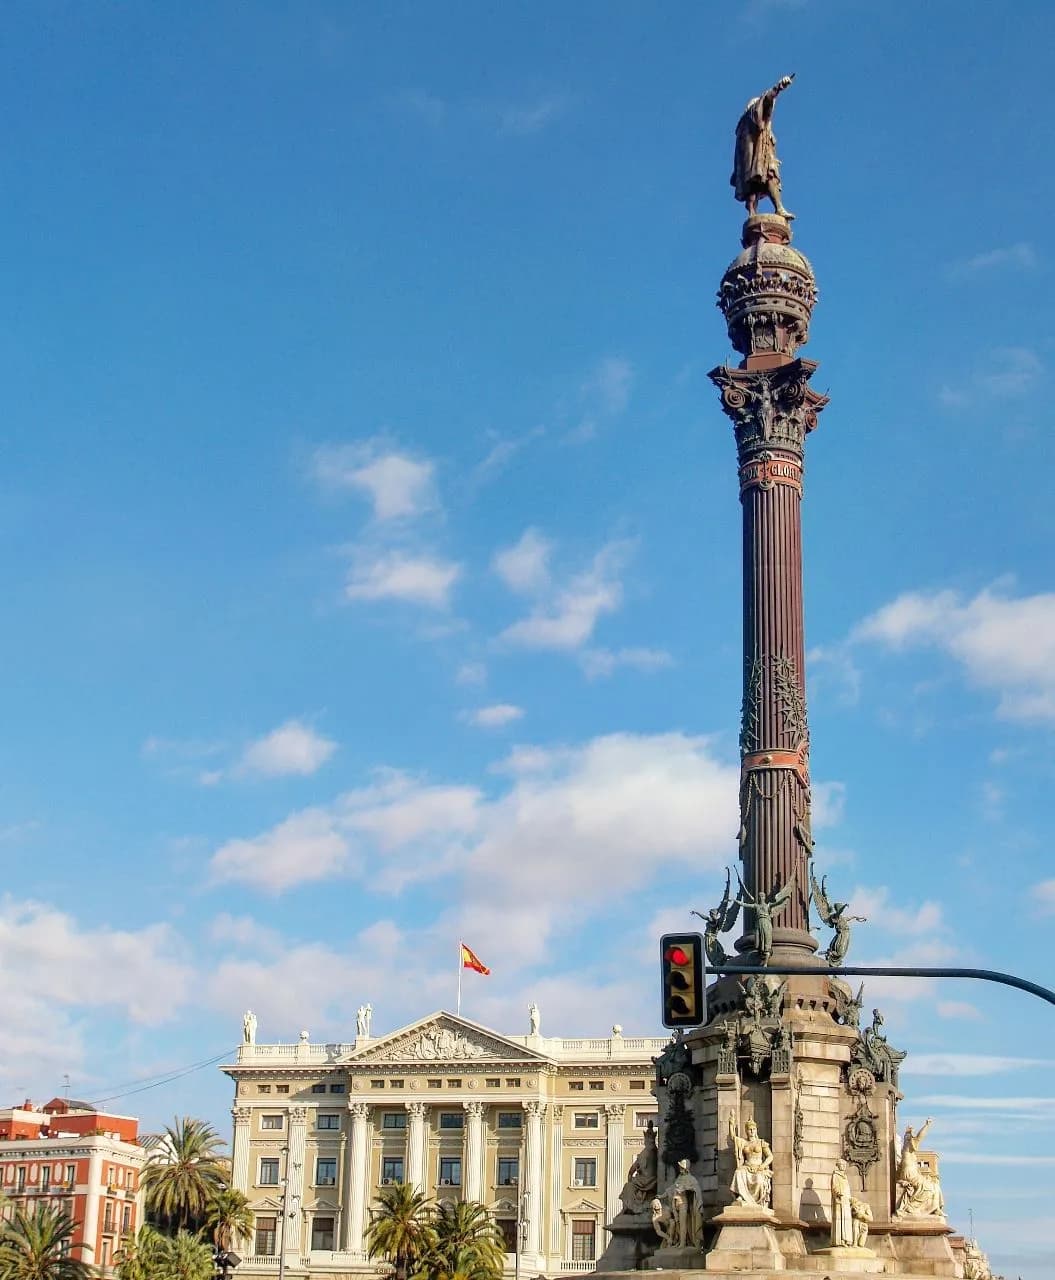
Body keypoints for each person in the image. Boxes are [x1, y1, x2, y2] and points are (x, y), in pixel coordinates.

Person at [731, 75, 796, 219]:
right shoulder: (749, 124)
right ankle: (753, 213)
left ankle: (778, 207)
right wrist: (778, 88)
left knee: (771, 176)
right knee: (754, 182)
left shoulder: (766, 131)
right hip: (754, 159)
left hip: (765, 157)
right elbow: (766, 100)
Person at [894, 1119, 945, 1218]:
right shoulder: (908, 1148)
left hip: (913, 1174)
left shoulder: (909, 1149)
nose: (915, 1140)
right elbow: (919, 1138)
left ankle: (936, 1208)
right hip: (910, 1175)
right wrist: (927, 1126)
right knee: (929, 1187)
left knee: (935, 1186)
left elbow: (917, 1138)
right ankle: (911, 1206)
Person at [728, 1116, 773, 1208]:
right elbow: (733, 1137)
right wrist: (731, 1124)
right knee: (738, 1172)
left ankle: (756, 1201)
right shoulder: (744, 1143)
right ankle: (741, 1196)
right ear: (746, 1131)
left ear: (756, 1130)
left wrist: (763, 1166)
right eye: (749, 1129)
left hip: (758, 1168)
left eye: (753, 1129)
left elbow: (770, 1156)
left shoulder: (761, 1142)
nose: (752, 1131)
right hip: (746, 1166)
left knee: (759, 1180)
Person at [830, 1160, 853, 1247]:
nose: (843, 1166)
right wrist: (838, 1193)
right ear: (838, 1166)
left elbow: (847, 1189)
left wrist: (850, 1198)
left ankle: (847, 1239)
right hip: (839, 1200)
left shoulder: (845, 1177)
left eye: (844, 1165)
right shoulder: (835, 1175)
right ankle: (840, 1241)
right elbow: (834, 1187)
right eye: (841, 1165)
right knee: (840, 1220)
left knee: (846, 1219)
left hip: (846, 1201)